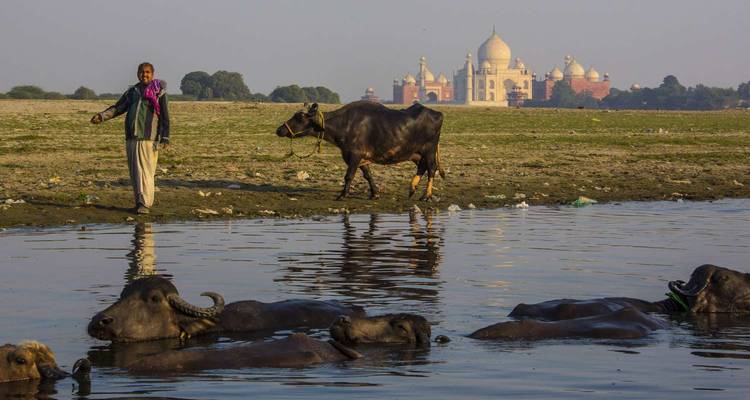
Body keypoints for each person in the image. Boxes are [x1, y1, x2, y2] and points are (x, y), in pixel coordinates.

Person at [90, 62, 170, 214]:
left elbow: (165, 117)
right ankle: (139, 202)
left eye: (147, 72)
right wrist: (102, 116)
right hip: (131, 138)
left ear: (152, 74)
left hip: (149, 138)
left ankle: (145, 204)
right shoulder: (132, 92)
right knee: (135, 173)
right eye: (141, 72)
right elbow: (119, 107)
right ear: (137, 74)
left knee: (145, 172)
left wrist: (165, 137)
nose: (144, 75)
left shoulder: (159, 92)